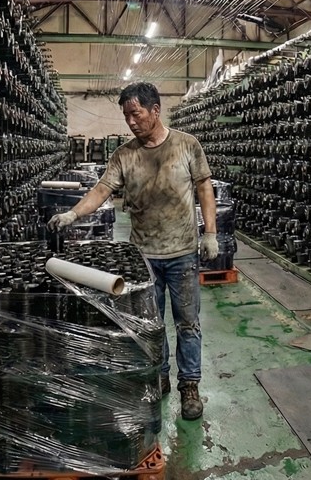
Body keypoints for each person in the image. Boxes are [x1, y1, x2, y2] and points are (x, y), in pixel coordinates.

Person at [48, 82, 217, 421]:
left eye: (136, 114)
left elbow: (204, 187)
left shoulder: (187, 145)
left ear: (156, 110)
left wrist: (210, 233)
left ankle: (190, 386)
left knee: (187, 324)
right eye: (126, 116)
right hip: (143, 256)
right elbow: (102, 189)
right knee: (151, 324)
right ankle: (161, 375)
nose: (131, 122)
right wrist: (74, 213)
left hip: (182, 252)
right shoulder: (124, 155)